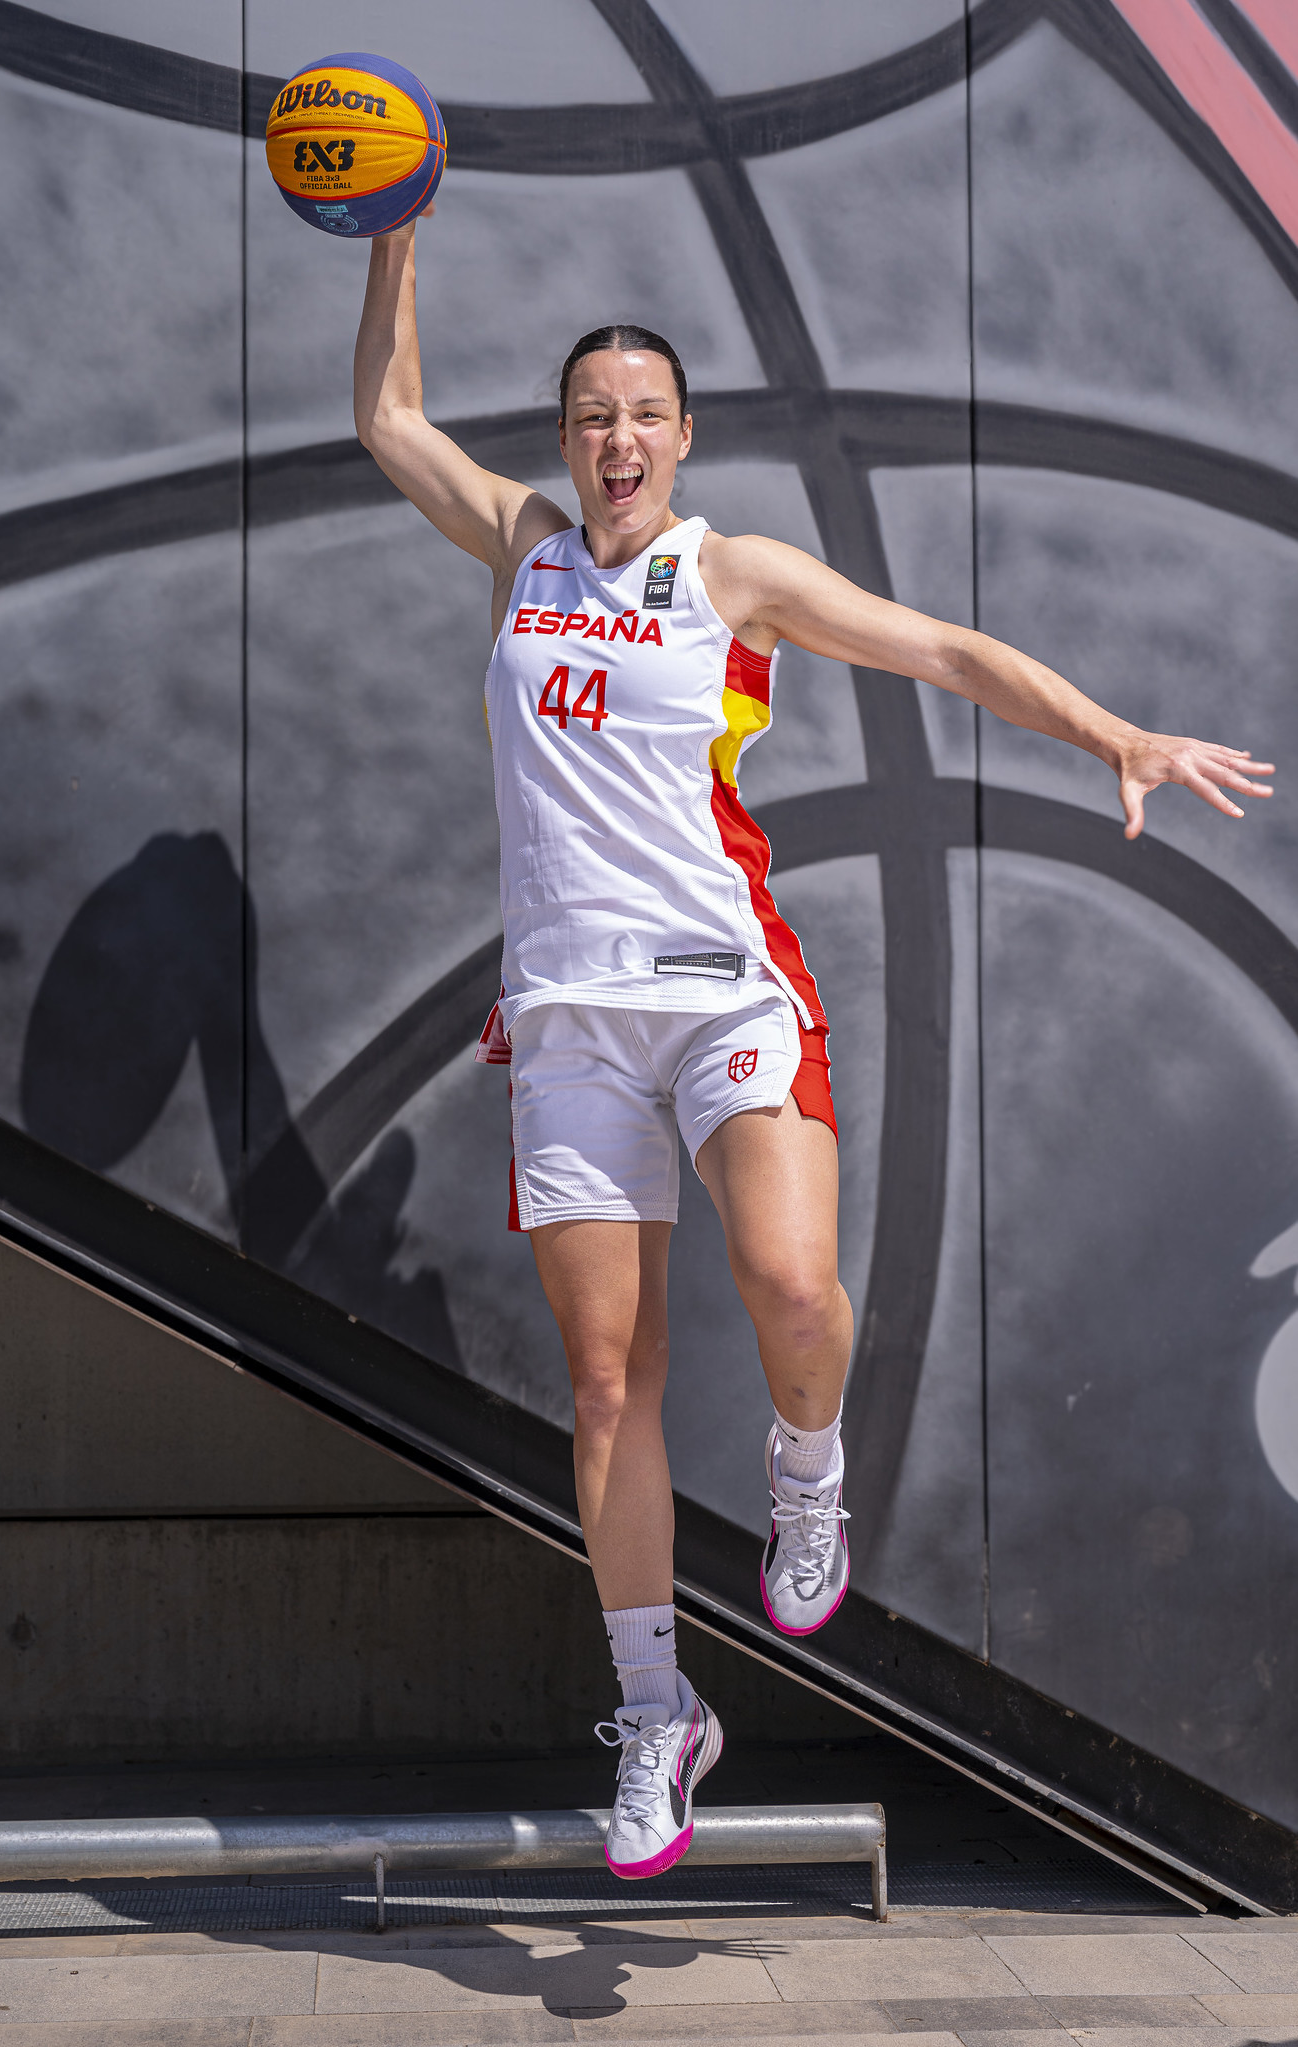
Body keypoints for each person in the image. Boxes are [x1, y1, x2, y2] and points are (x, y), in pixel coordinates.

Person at [353, 220, 1273, 1881]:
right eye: (587, 415)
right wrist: (392, 234)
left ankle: (804, 1472)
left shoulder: (731, 573)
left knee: (790, 1283)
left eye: (641, 412)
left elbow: (941, 650)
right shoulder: (524, 548)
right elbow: (390, 421)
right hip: (567, 1014)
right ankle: (655, 1715)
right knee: (603, 1380)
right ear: (564, 442)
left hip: (721, 985)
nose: (614, 439)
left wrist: (1113, 735)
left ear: (683, 436)